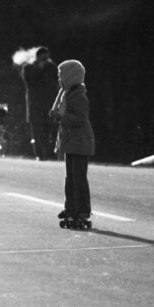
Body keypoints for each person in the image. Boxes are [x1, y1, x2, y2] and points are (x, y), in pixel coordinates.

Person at [49, 59, 95, 226]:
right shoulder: (66, 93)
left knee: (78, 177)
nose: (60, 79)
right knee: (70, 177)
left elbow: (80, 119)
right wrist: (57, 116)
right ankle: (71, 207)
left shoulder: (78, 95)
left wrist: (62, 117)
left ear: (71, 76)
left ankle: (82, 209)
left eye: (62, 75)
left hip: (80, 141)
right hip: (71, 141)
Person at [21, 46, 59, 160]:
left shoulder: (51, 67)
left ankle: (50, 154)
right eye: (43, 57)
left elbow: (58, 80)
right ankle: (39, 154)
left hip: (49, 105)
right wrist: (39, 67)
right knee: (37, 133)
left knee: (49, 131)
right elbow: (29, 80)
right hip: (35, 105)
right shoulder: (28, 67)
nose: (46, 60)